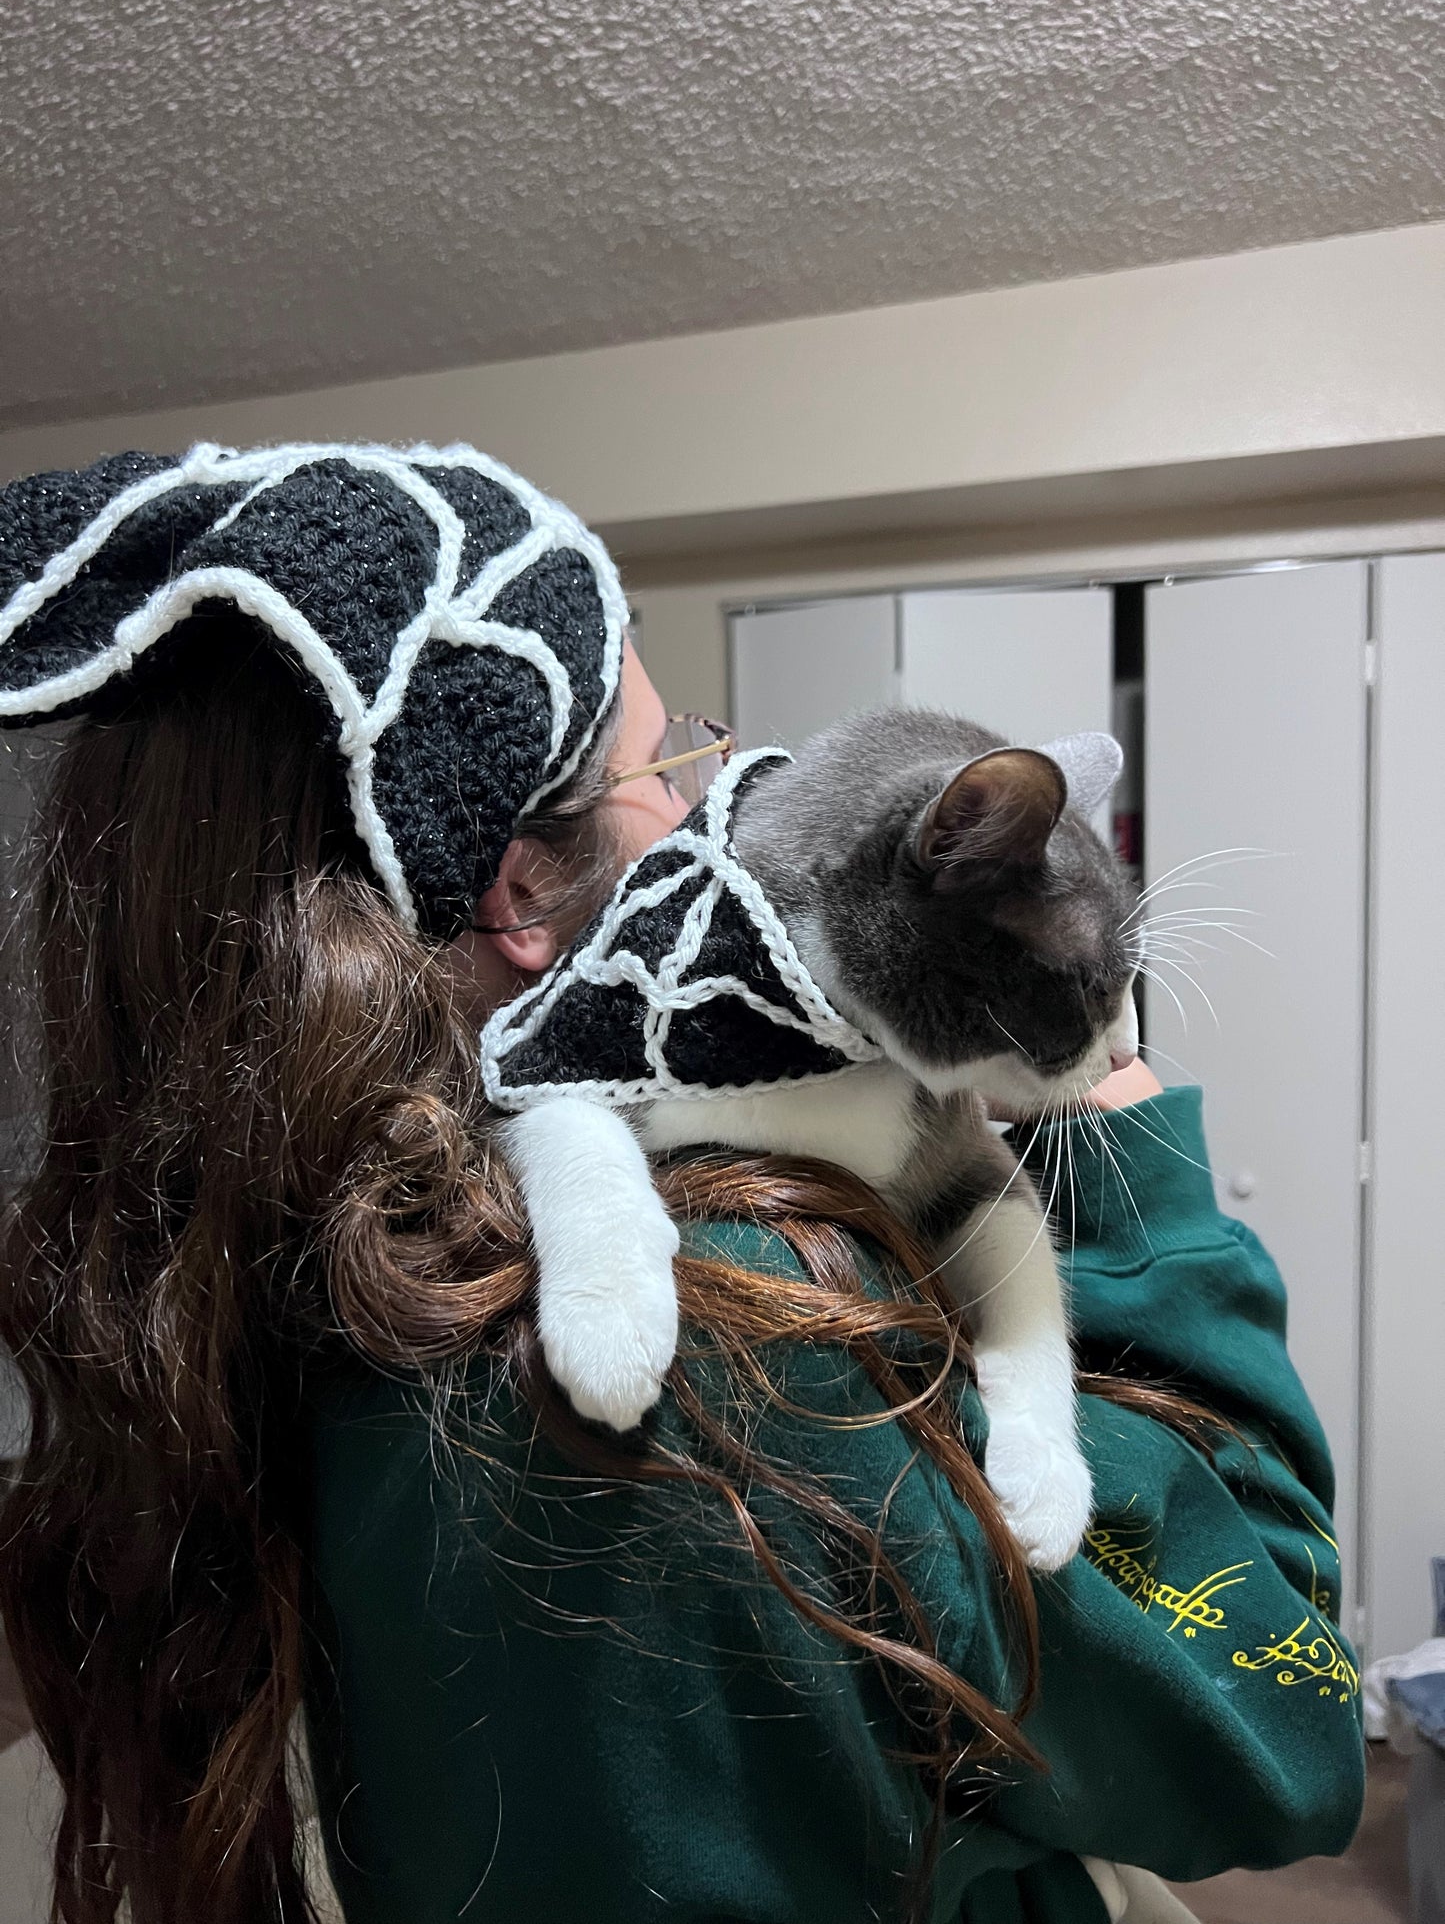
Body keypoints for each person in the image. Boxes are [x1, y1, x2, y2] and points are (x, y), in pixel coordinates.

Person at [0, 444, 1364, 1924]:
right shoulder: (740, 1329)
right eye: (680, 763)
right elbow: (1278, 1734)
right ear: (522, 893)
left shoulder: (261, 1286)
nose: (730, 792)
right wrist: (1132, 1165)